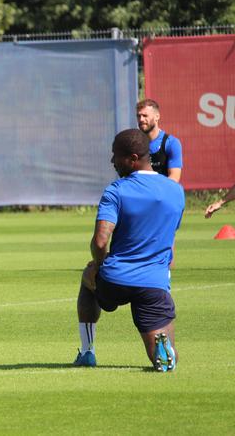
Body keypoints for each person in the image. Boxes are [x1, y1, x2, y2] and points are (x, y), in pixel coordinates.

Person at [73, 128, 184, 372]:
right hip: (154, 282)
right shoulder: (175, 191)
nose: (112, 161)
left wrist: (100, 264)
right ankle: (165, 353)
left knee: (88, 275)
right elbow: (170, 239)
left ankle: (87, 351)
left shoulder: (117, 190)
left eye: (116, 156)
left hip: (116, 278)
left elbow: (101, 242)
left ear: (133, 159)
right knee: (162, 355)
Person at [136, 99, 183, 182]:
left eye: (145, 115)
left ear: (157, 117)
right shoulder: (135, 144)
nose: (141, 119)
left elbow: (174, 178)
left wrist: (155, 191)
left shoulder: (171, 143)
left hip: (163, 193)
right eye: (138, 116)